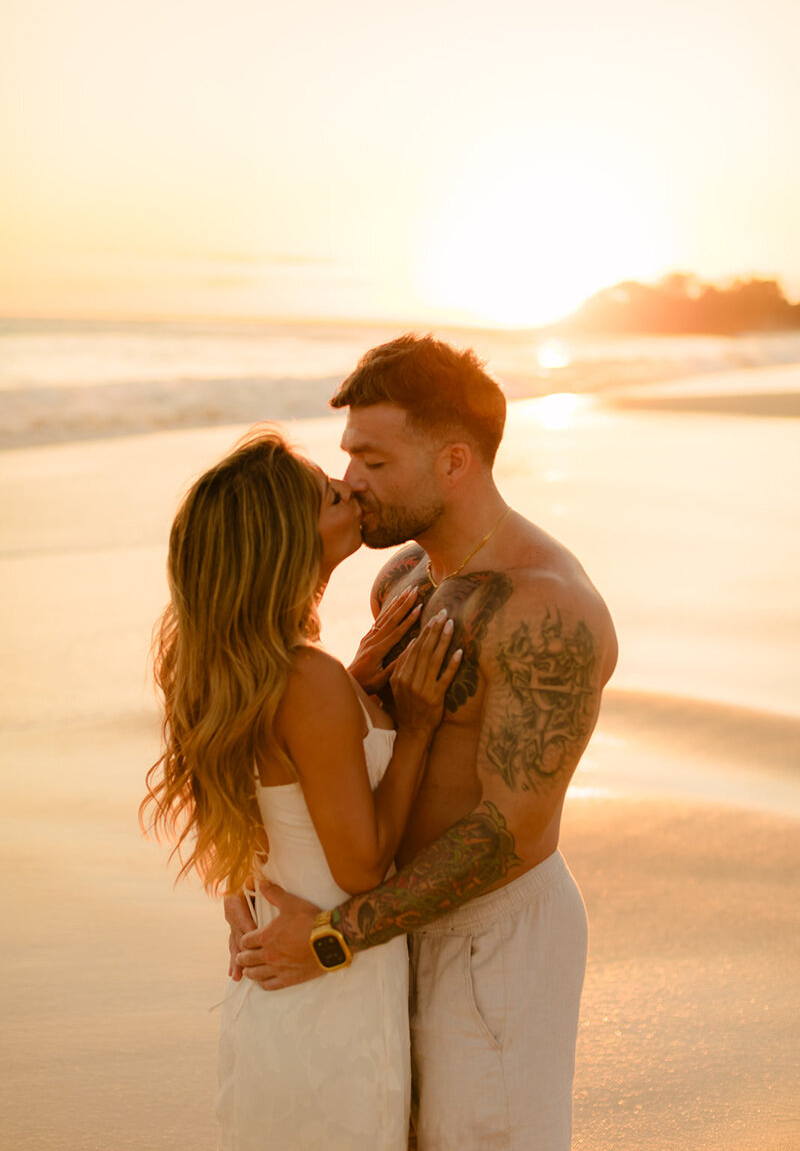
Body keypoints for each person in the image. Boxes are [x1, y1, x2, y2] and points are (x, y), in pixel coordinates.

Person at [229, 335, 618, 1151]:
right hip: (388, 930)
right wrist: (252, 879)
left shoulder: (549, 611)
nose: (348, 482)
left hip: (493, 941)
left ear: (452, 463)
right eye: (347, 456)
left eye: (372, 459)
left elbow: (506, 832)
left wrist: (333, 939)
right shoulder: (401, 579)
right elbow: (332, 743)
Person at [140, 426, 462, 1151]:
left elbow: (288, 794)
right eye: (328, 495)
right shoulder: (306, 680)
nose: (350, 488)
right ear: (285, 540)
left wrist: (353, 693)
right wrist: (411, 728)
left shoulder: (255, 675)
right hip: (331, 1006)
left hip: (286, 1009)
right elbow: (362, 868)